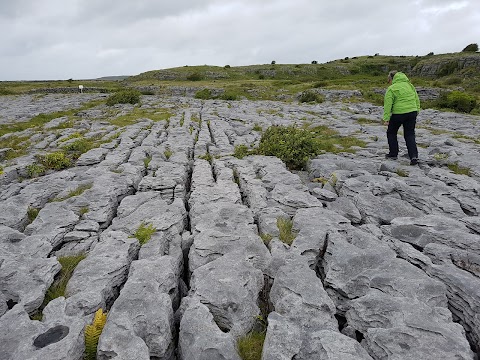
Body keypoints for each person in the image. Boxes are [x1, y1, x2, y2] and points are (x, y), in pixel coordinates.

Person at [383, 70, 420, 165]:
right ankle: (414, 156)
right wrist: (417, 111)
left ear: (392, 78)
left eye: (389, 79)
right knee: (410, 134)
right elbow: (416, 99)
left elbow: (388, 104)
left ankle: (393, 153)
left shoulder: (392, 88)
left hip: (398, 113)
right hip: (412, 112)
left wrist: (386, 118)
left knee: (391, 132)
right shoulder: (410, 86)